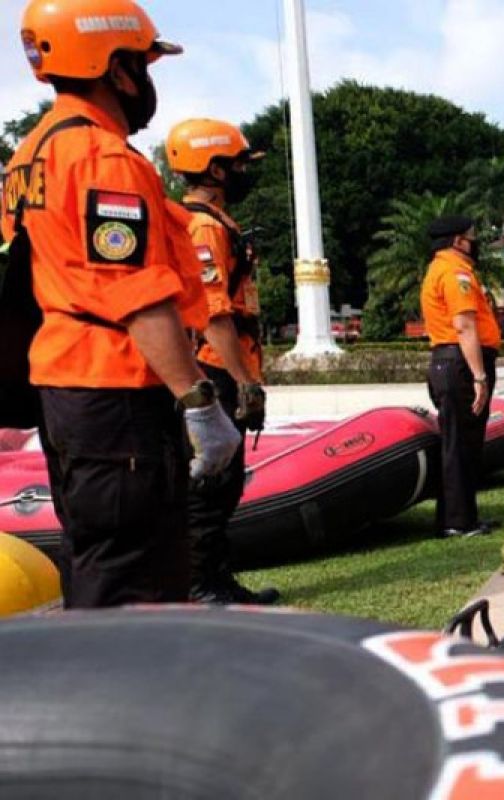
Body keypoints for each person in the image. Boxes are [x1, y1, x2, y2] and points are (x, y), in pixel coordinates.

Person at [1, 0, 241, 607]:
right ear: (116, 69)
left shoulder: (30, 156)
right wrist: (198, 403)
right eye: (142, 63)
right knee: (135, 575)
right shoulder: (104, 159)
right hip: (116, 392)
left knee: (98, 560)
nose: (147, 80)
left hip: (65, 389)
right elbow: (136, 294)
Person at [166, 118, 279, 604]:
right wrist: (244, 382)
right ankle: (200, 587)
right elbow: (213, 314)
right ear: (214, 169)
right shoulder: (204, 228)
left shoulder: (212, 223)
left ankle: (218, 580)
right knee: (211, 486)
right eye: (238, 165)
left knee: (225, 484)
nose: (244, 173)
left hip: (223, 366)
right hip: (214, 369)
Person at [419, 215, 501, 537]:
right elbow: (464, 325)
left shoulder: (440, 269)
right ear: (458, 241)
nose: (475, 241)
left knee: (465, 443)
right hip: (460, 364)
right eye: (472, 236)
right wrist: (479, 376)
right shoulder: (455, 273)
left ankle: (463, 516)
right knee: (460, 445)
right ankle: (457, 521)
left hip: (452, 362)